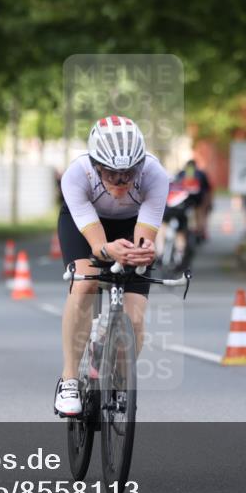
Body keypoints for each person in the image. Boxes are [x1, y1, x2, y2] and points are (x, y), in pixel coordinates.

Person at [54, 115, 169, 416]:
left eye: (128, 175)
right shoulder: (76, 176)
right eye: (111, 174)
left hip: (131, 225)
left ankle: (117, 378)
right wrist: (107, 250)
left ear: (140, 167)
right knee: (86, 283)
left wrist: (142, 253)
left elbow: (144, 242)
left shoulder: (155, 175)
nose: (120, 183)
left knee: (135, 318)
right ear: (95, 166)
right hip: (88, 226)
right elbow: (97, 248)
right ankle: (68, 379)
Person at [173, 159, 212, 241]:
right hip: (198, 198)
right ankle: (199, 232)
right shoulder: (201, 173)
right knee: (199, 214)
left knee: (185, 214)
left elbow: (175, 186)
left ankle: (190, 229)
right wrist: (208, 202)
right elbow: (207, 189)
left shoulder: (182, 173)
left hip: (184, 199)